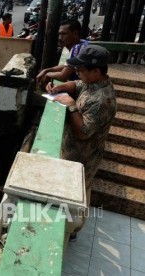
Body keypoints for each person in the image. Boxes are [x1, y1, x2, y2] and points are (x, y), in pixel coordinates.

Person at [45, 45, 117, 241]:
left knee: (77, 196)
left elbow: (83, 132)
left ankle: (72, 232)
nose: (77, 73)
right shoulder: (91, 82)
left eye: (81, 69)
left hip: (83, 158)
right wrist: (58, 87)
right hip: (72, 154)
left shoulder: (103, 100)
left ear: (96, 71)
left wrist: (71, 106)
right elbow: (76, 85)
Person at [37, 19, 88, 86]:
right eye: (59, 34)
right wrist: (47, 70)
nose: (60, 38)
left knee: (50, 85)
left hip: (79, 89)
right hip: (77, 85)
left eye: (63, 34)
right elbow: (67, 66)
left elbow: (62, 77)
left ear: (75, 34)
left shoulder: (77, 48)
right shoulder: (83, 43)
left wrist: (47, 74)